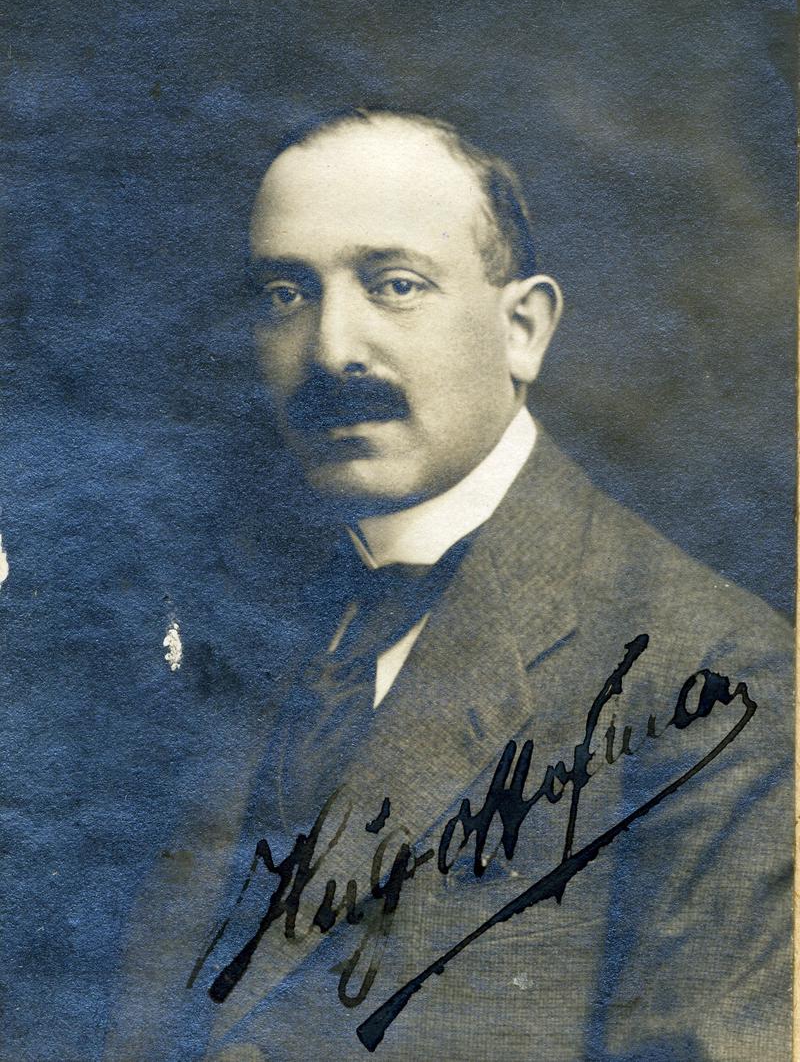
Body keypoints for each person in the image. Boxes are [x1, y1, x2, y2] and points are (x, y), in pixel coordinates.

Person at [106, 110, 792, 1062]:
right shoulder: (227, 617)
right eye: (286, 293)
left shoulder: (722, 675)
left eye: (395, 285)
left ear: (523, 328)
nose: (332, 348)